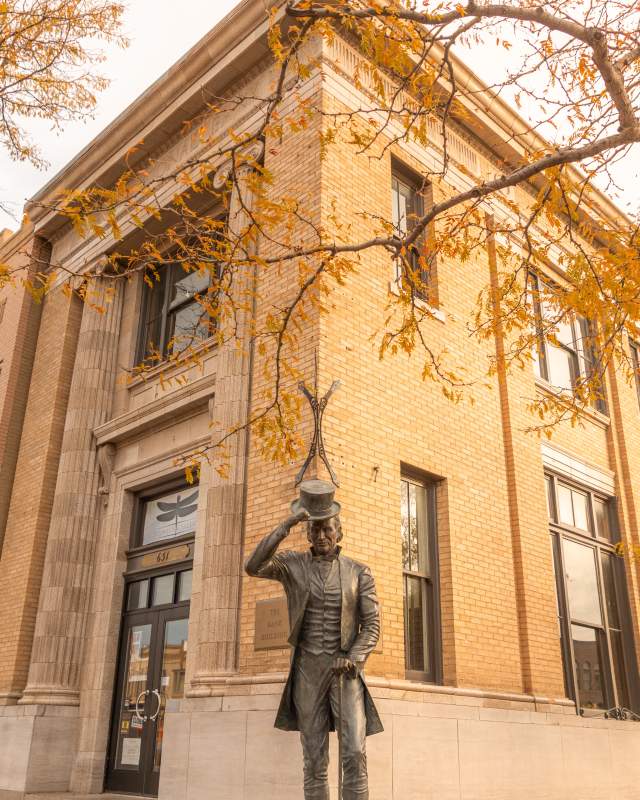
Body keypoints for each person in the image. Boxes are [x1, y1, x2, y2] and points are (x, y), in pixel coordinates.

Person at [245, 479, 383, 800]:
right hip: (308, 670)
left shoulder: (358, 572)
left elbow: (372, 625)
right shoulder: (293, 565)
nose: (321, 536)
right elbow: (253, 566)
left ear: (339, 533)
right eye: (315, 531)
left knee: (353, 753)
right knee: (314, 759)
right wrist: (286, 524)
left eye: (327, 530)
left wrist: (354, 656)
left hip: (344, 671)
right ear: (307, 534)